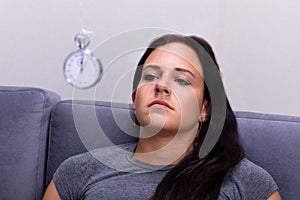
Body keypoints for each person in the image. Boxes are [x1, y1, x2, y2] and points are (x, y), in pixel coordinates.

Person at [43, 34, 281, 200]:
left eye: (182, 80)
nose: (161, 86)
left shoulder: (246, 182)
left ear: (204, 109)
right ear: (135, 99)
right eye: (150, 76)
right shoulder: (79, 171)